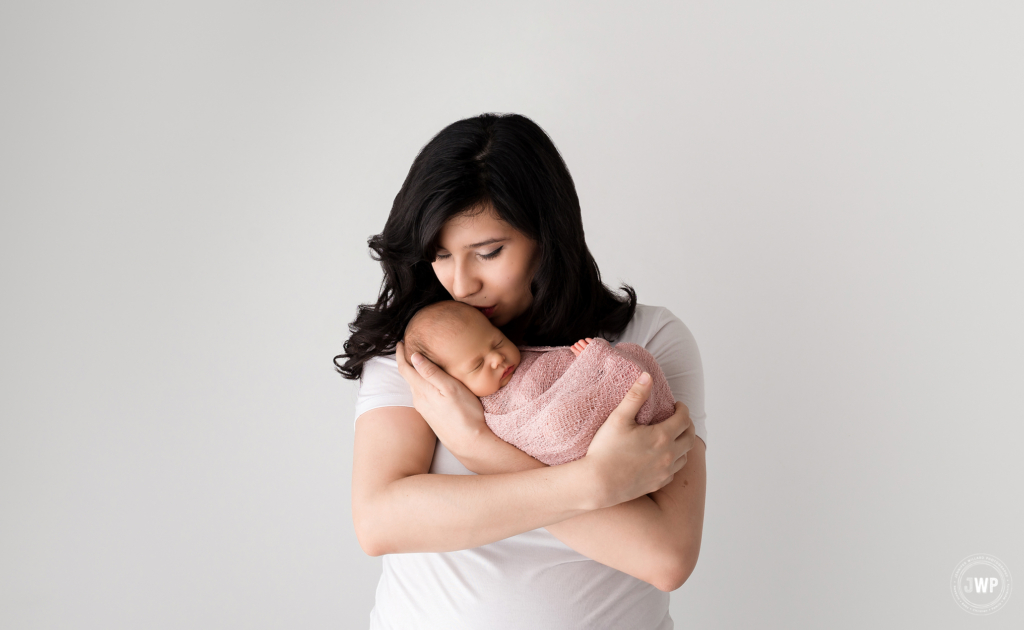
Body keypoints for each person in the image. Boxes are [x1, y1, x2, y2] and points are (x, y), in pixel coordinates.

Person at [335, 113, 707, 630]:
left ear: (546, 237)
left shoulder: (642, 344)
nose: (461, 284)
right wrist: (593, 483)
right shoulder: (423, 350)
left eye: (488, 252)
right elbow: (380, 522)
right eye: (440, 255)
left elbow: (665, 557)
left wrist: (476, 445)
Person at [402, 299, 679, 466]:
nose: (497, 359)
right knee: (557, 423)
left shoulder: (530, 357)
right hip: (566, 435)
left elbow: (561, 369)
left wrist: (589, 362)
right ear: (450, 382)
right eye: (477, 365)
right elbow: (532, 431)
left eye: (497, 342)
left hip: (606, 400)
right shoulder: (488, 412)